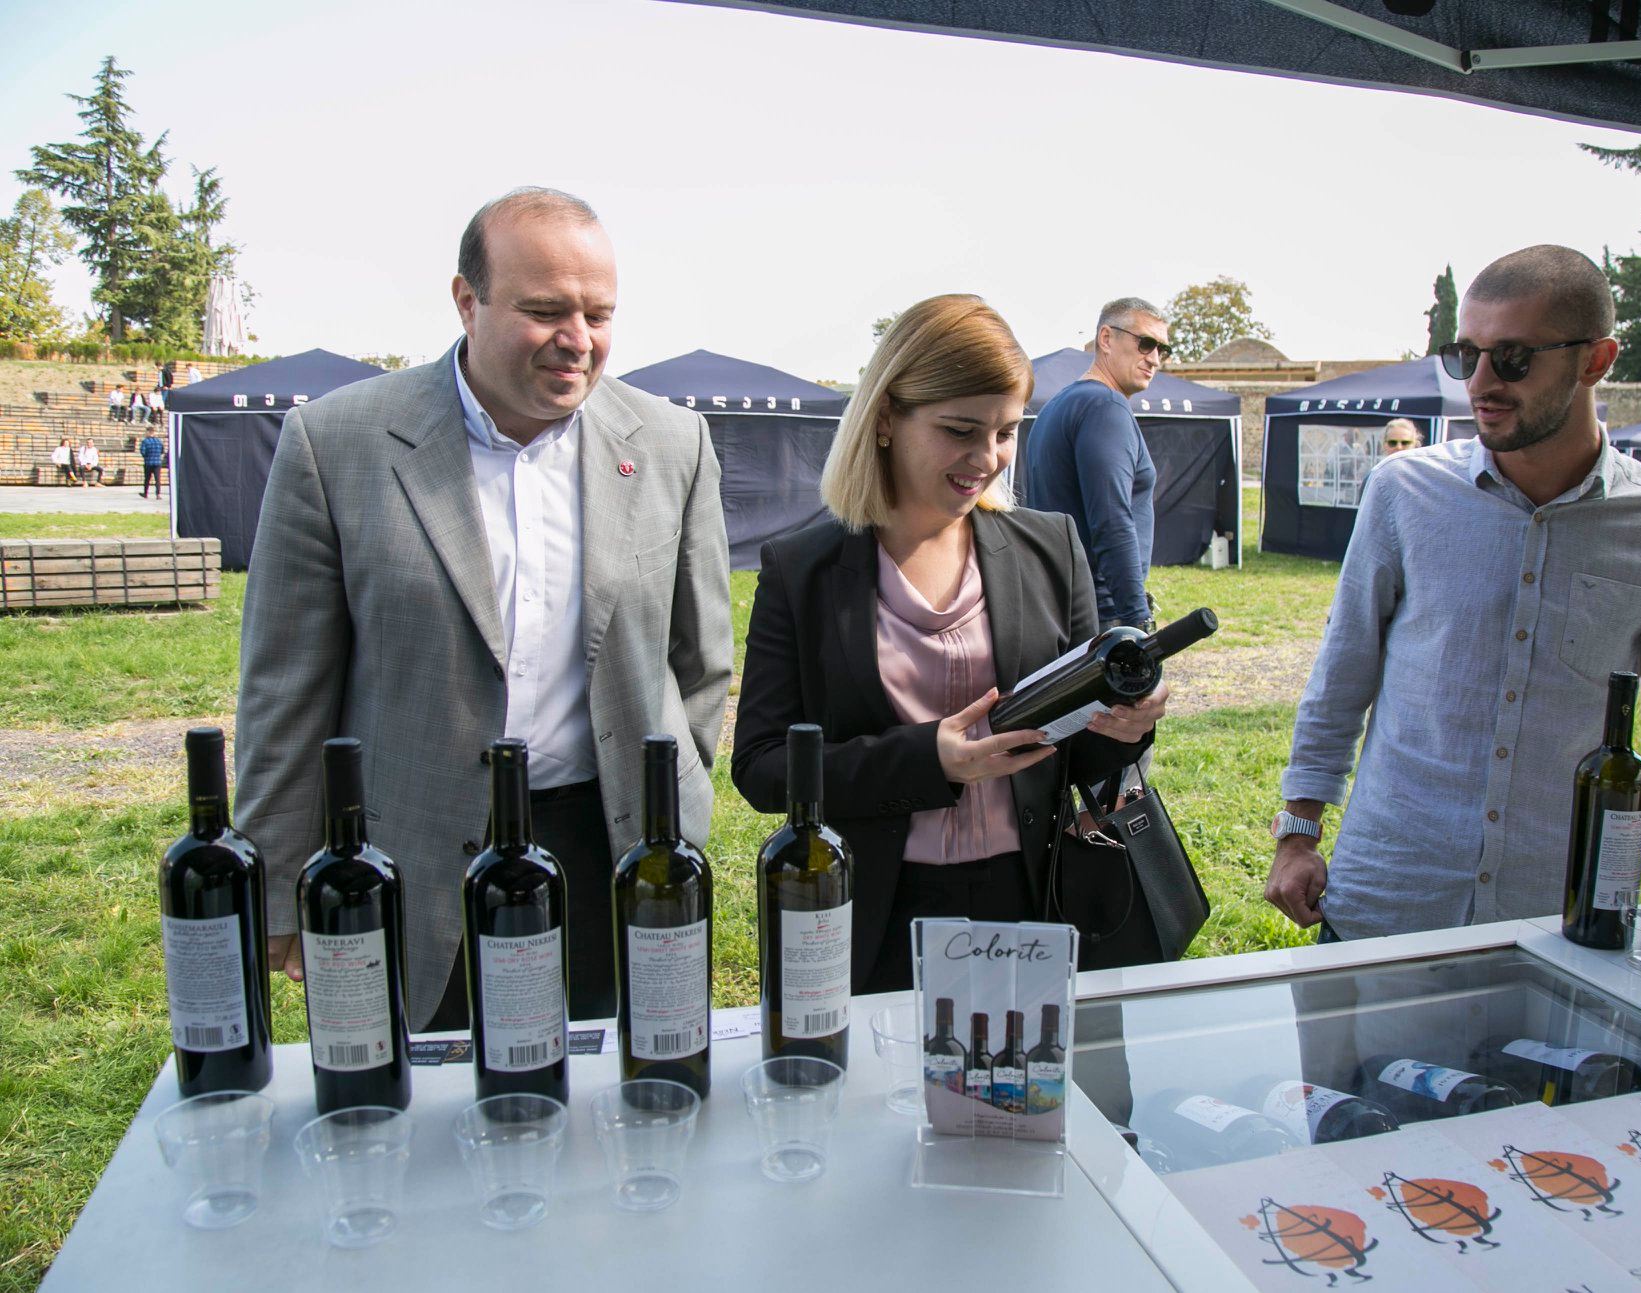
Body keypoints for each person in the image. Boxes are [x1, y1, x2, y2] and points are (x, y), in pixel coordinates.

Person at [234, 187, 733, 1032]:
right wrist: (279, 879)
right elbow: (285, 689)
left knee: (611, 1092)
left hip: (608, 844)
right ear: (467, 301)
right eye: (544, 311)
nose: (578, 340)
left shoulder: (671, 443)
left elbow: (700, 662)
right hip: (414, 853)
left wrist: (668, 799)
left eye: (598, 314)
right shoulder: (336, 442)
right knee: (422, 1100)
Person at [1266, 244, 1641, 943]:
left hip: (1556, 913)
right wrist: (1297, 832)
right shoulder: (1404, 491)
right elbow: (1343, 670)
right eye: (1465, 356)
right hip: (1389, 893)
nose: (1480, 382)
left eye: (1512, 357)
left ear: (1595, 360)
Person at [732, 295, 1168, 995]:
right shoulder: (802, 571)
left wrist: (1128, 724)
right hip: (874, 914)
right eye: (960, 430)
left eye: (1005, 432)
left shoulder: (1051, 549)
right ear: (884, 418)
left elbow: (1082, 756)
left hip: (1032, 900)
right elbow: (761, 768)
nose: (986, 458)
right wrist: (926, 760)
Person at [1023, 297, 1164, 632]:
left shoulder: (1058, 405)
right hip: (1100, 613)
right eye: (1146, 343)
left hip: (1059, 605)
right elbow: (1112, 519)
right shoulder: (1105, 407)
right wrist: (1137, 617)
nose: (1155, 359)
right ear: (1106, 338)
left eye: (1163, 349)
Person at [138, 425, 165, 498]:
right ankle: (158, 494)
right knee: (157, 479)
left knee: (147, 478)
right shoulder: (159, 441)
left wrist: (146, 456)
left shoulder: (145, 441)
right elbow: (162, 451)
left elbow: (143, 452)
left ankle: (145, 493)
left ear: (148, 432)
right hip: (157, 462)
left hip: (148, 462)